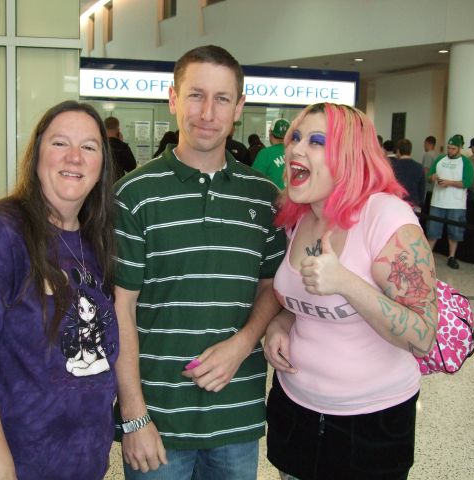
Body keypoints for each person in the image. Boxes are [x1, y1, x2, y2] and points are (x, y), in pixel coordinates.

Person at [112, 45, 286, 480]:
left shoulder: (265, 197)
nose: (208, 113)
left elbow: (272, 287)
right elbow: (120, 309)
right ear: (173, 99)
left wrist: (242, 343)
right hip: (157, 420)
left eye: (222, 99)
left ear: (239, 108)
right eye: (195, 95)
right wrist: (133, 417)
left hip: (237, 416)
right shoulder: (133, 195)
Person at [0, 101, 119, 479]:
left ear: (102, 167)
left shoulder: (94, 242)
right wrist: (2, 473)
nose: (75, 157)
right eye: (60, 143)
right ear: (36, 156)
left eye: (89, 147)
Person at [263, 102, 438, 480]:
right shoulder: (299, 216)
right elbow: (303, 300)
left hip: (370, 424)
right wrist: (280, 323)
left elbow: (423, 335)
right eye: (295, 137)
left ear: (351, 155)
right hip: (295, 411)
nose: (295, 149)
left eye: (316, 141)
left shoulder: (386, 218)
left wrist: (345, 282)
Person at [425, 135, 474, 269]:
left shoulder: (466, 162)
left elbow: (467, 182)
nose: (450, 151)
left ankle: (451, 256)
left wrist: (450, 183)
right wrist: (432, 177)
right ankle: (427, 255)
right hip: (438, 201)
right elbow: (429, 176)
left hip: (456, 203)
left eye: (453, 148)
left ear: (459, 148)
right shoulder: (440, 159)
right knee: (432, 230)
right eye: (448, 148)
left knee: (455, 231)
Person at [251, 118, 290, 188]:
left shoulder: (265, 153)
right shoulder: (295, 152)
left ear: (270, 133)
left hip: (272, 194)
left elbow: (254, 180)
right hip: (293, 194)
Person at [391, 138, 425, 211]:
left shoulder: (393, 166)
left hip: (397, 203)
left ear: (398, 151)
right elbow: (421, 189)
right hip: (414, 203)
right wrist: (419, 203)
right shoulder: (419, 167)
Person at [105, 115, 137, 180]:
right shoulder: (123, 147)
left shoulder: (99, 146)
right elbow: (132, 168)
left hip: (102, 183)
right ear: (118, 130)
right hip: (118, 183)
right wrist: (121, 142)